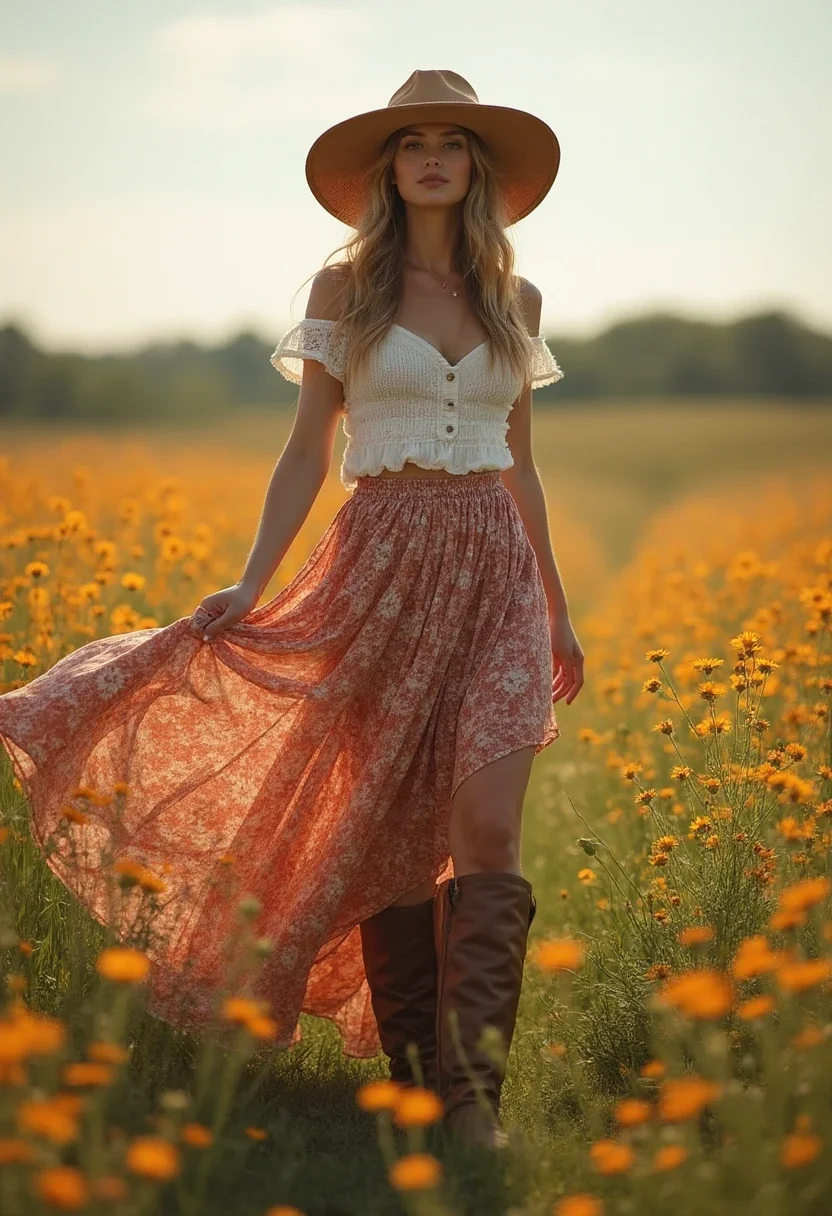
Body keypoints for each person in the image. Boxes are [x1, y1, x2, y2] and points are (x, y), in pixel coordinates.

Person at [0, 69, 584, 1151]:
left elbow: (520, 465)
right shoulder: (344, 292)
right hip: (381, 562)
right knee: (399, 840)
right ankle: (417, 1084)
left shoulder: (519, 299)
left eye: (452, 142)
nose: (431, 158)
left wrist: (557, 608)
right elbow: (308, 449)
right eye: (412, 143)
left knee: (488, 830)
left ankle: (473, 1105)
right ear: (388, 170)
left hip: (493, 570)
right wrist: (253, 579)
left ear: (477, 168)